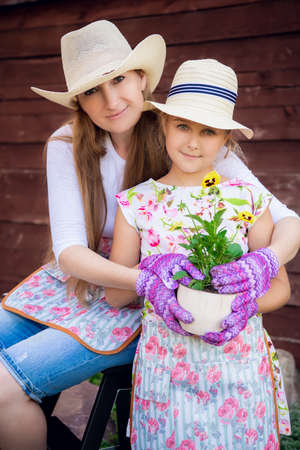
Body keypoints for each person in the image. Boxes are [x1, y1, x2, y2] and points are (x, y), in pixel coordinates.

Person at [0, 20, 298, 450]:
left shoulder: (192, 134)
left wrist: (265, 262)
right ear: (78, 101)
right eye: (91, 90)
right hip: (100, 277)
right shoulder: (68, 143)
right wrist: (143, 277)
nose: (111, 100)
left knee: (6, 389)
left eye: (119, 79)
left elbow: (286, 220)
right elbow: (68, 251)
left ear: (142, 77)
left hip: (158, 304)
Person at [105, 59, 293, 449]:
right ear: (164, 124)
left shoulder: (248, 198)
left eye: (208, 131)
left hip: (238, 370)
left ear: (226, 138)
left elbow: (279, 290)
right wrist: (149, 271)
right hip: (166, 373)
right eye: (183, 126)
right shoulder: (135, 204)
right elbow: (116, 293)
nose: (193, 141)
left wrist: (247, 300)